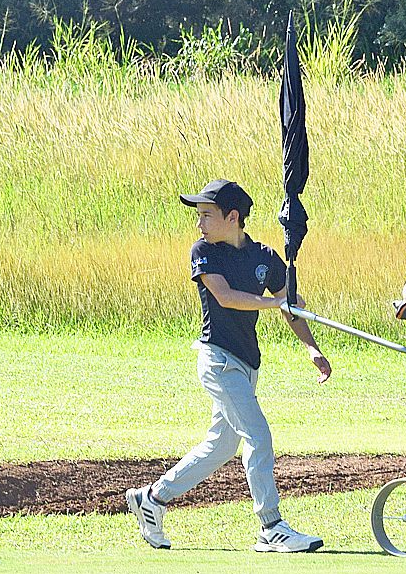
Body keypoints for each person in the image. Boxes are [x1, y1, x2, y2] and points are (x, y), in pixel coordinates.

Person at [126, 179, 333, 553]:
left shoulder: (265, 258)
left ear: (232, 217)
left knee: (221, 446)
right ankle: (271, 527)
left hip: (247, 365)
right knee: (259, 436)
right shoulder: (204, 252)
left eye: (206, 215)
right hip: (218, 361)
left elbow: (291, 305)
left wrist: (311, 348)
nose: (199, 223)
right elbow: (225, 298)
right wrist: (274, 305)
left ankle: (152, 499)